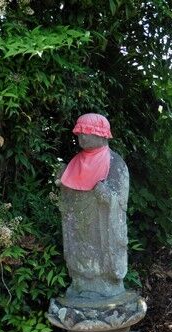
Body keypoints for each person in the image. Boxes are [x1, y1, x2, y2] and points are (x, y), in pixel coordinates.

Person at [57, 113, 128, 299]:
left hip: (101, 224)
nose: (82, 137)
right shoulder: (74, 163)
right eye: (79, 133)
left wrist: (107, 196)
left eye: (86, 133)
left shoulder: (115, 163)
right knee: (79, 250)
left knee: (100, 255)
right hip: (78, 222)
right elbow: (68, 196)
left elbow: (120, 200)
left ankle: (105, 284)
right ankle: (80, 283)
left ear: (101, 135)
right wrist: (63, 182)